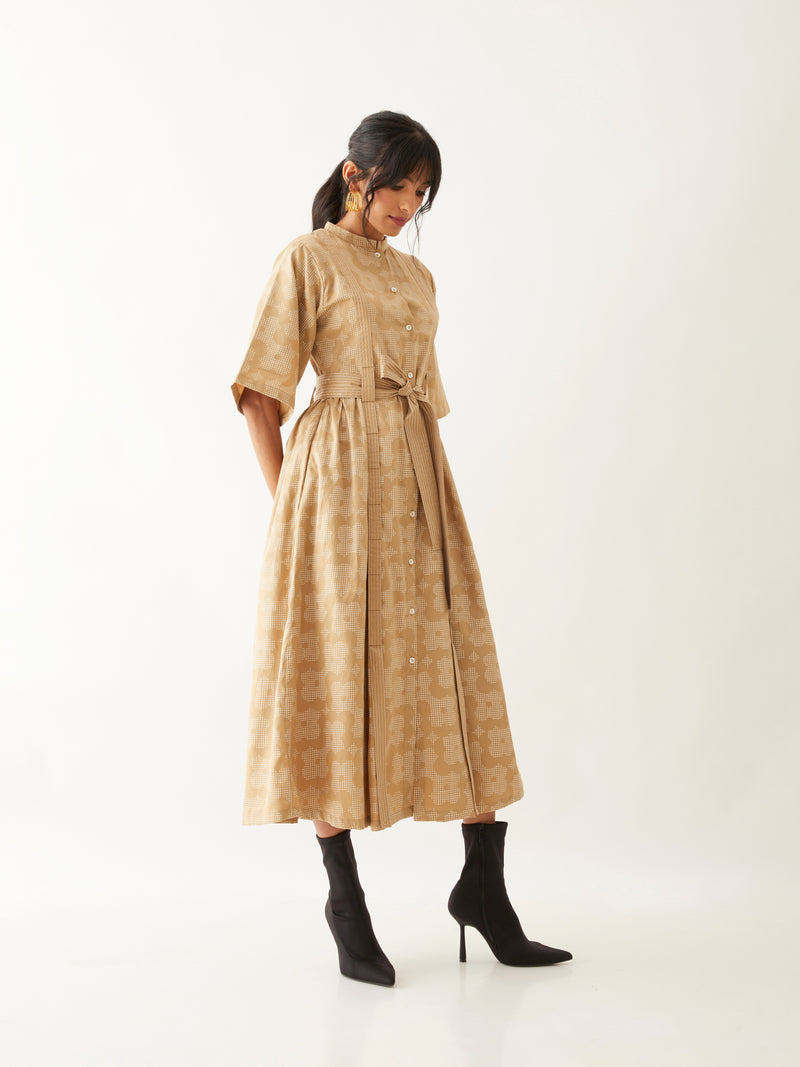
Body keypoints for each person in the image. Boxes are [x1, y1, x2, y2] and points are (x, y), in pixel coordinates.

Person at [230, 110, 572, 986]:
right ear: (356, 175)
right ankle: (346, 903)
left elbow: (423, 393)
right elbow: (261, 395)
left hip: (419, 476)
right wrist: (289, 511)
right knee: (336, 669)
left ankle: (484, 890)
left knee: (458, 661)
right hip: (333, 482)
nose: (410, 204)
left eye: (423, 193)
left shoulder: (418, 276)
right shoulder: (306, 259)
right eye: (401, 185)